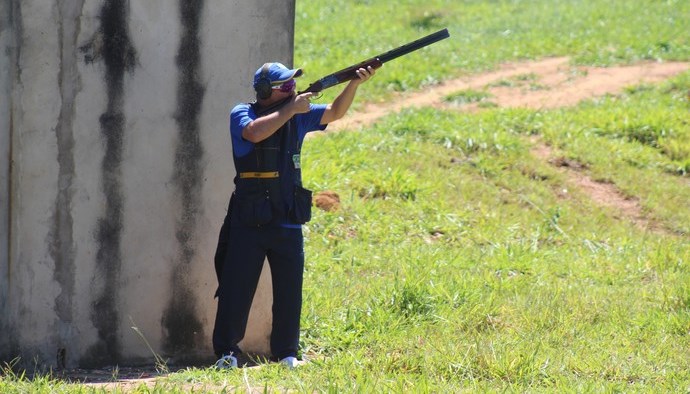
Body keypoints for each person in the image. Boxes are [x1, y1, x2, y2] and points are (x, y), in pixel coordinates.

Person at [213, 62, 375, 369]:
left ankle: (287, 354)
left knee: (289, 291)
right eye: (286, 87)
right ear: (264, 93)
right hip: (250, 217)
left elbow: (335, 113)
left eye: (292, 86)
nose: (293, 90)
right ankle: (227, 353)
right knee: (236, 287)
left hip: (287, 213)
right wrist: (292, 109)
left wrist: (353, 84)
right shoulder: (242, 113)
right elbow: (255, 133)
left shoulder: (296, 114)